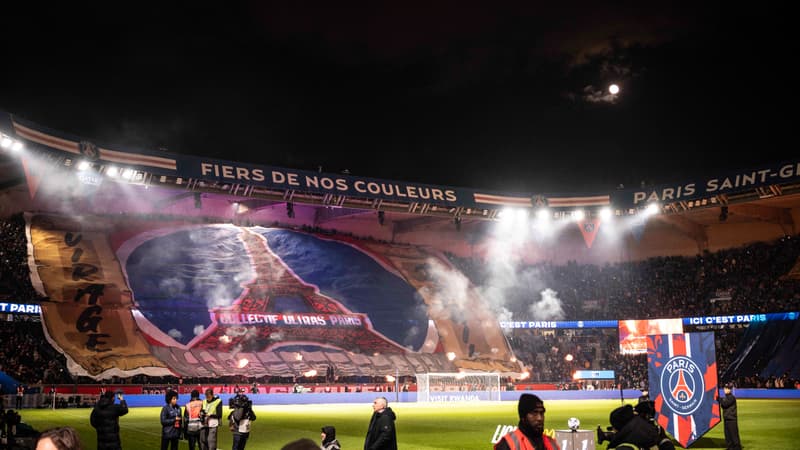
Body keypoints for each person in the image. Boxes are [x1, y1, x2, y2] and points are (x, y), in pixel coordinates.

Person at [494, 393, 560, 450]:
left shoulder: (552, 443)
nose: (540, 418)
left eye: (542, 413)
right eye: (534, 413)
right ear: (523, 417)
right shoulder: (507, 444)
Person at [717, 383, 742, 450]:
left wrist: (719, 399)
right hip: (727, 418)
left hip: (731, 419)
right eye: (725, 388)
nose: (725, 390)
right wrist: (721, 400)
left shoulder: (731, 397)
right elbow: (724, 405)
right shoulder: (726, 397)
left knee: (733, 434)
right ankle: (730, 447)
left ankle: (737, 447)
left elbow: (725, 404)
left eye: (727, 388)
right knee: (727, 435)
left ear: (730, 390)